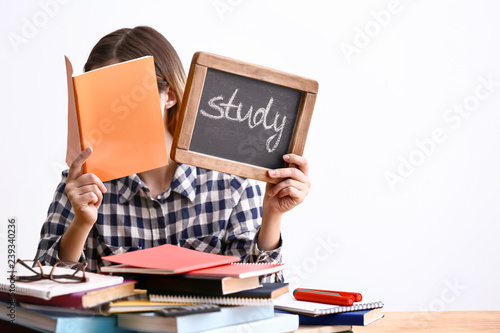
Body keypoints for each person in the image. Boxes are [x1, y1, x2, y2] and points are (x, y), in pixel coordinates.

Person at [35, 26, 310, 282]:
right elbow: (43, 288)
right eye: (100, 96)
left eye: (127, 94)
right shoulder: (80, 185)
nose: (116, 109)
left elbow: (262, 293)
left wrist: (273, 215)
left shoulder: (231, 183)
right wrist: (82, 223)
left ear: (170, 96)